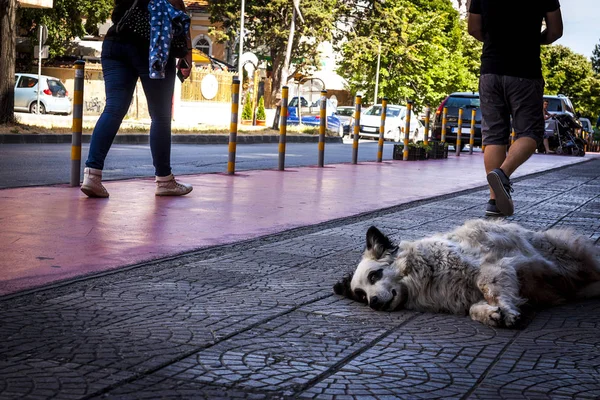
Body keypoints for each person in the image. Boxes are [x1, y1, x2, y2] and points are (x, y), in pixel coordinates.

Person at [81, 0, 194, 198]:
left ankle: (92, 175)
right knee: (160, 116)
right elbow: (177, 10)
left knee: (114, 108)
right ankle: (164, 180)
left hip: (115, 42)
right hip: (152, 46)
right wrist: (187, 55)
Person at [468, 0, 563, 217]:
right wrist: (532, 40)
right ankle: (503, 173)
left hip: (490, 70)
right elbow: (556, 30)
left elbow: (473, 28)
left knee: (493, 136)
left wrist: (496, 40)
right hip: (524, 71)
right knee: (531, 133)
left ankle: (494, 201)